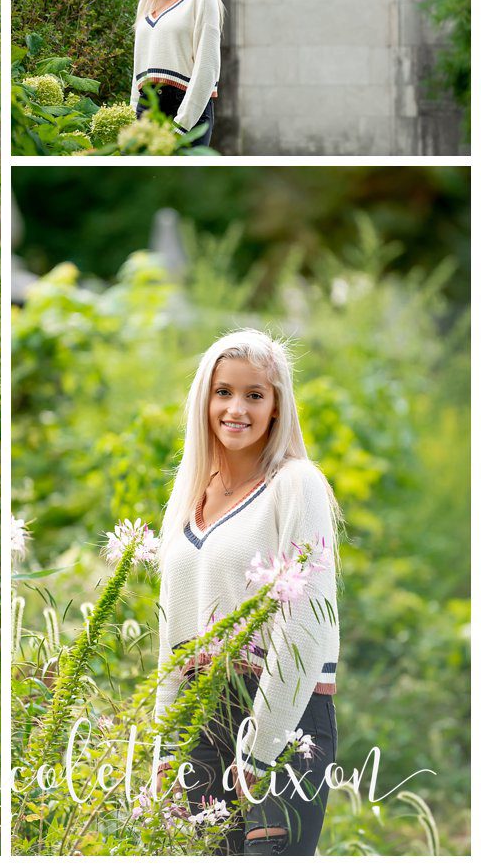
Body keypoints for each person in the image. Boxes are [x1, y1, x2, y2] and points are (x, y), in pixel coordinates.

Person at [152, 329, 340, 854]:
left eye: (255, 395)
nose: (237, 408)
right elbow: (173, 632)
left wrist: (260, 749)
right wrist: (165, 747)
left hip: (285, 717)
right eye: (223, 392)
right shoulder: (191, 492)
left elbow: (306, 624)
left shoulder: (296, 485)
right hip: (199, 719)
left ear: (277, 406)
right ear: (204, 400)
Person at [131, 0, 224, 149]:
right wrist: (131, 115)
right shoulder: (147, 2)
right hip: (147, 107)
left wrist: (181, 124)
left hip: (184, 108)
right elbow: (138, 68)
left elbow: (207, 66)